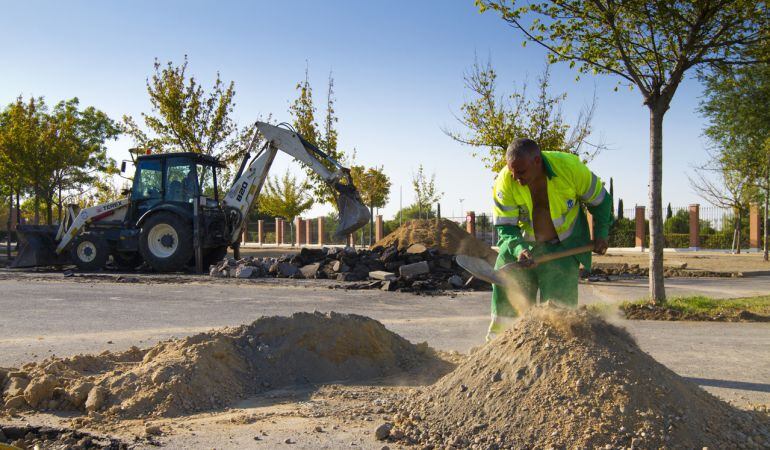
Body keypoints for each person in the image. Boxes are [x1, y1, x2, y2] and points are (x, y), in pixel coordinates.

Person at [488, 138, 612, 340]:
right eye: (512, 171)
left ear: (537, 161)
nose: (515, 178)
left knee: (560, 313)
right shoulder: (505, 182)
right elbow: (506, 227)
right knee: (506, 282)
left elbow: (601, 201)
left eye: (521, 172)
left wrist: (601, 233)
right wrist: (519, 249)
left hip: (562, 248)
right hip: (523, 247)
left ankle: (561, 354)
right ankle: (497, 347)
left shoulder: (570, 168)